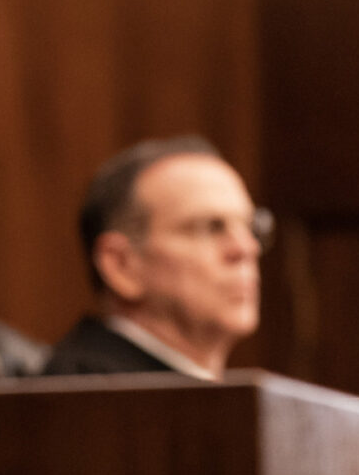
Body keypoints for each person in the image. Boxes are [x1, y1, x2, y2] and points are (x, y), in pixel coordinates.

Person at [44, 136, 267, 380]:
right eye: (210, 227)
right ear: (121, 265)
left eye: (251, 227)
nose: (247, 248)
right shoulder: (87, 391)